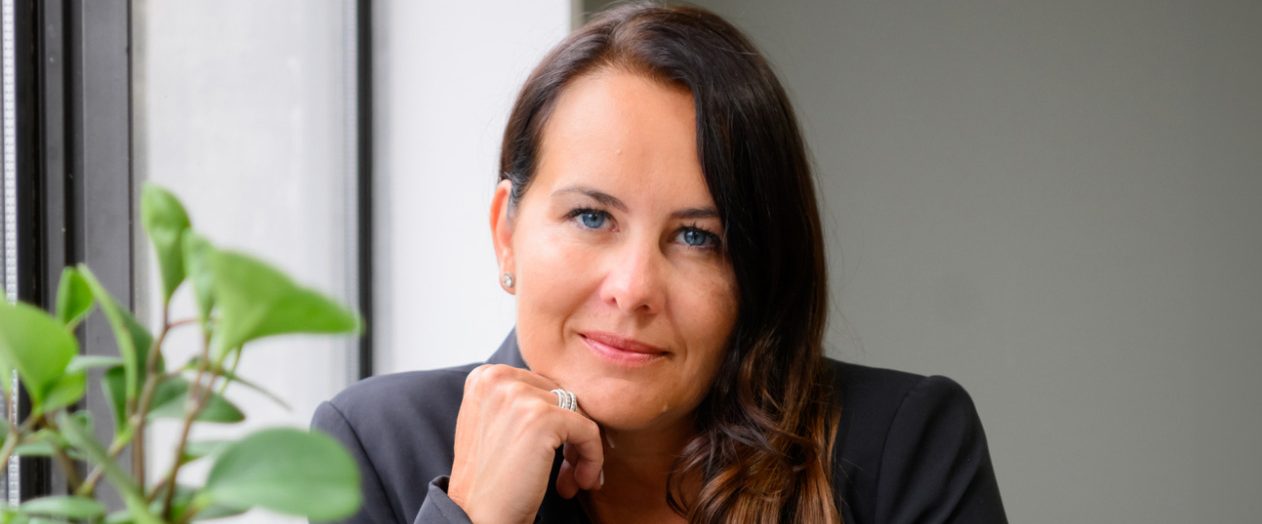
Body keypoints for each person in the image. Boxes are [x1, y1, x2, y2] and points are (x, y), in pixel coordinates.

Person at [312, 3, 1007, 523]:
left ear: (759, 270)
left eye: (698, 237)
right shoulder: (374, 445)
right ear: (506, 232)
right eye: (592, 217)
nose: (634, 288)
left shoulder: (903, 446)